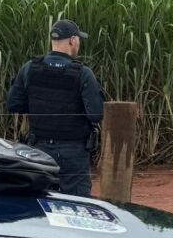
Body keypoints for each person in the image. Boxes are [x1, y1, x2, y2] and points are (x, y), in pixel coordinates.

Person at [7, 19, 104, 197]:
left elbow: (13, 104)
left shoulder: (30, 68)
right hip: (73, 152)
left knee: (42, 203)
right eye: (79, 40)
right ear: (72, 40)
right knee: (77, 205)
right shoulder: (82, 73)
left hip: (38, 150)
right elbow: (96, 114)